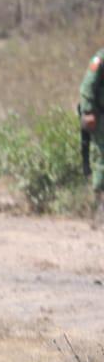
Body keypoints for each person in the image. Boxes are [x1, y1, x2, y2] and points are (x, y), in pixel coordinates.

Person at [79, 49, 104, 228]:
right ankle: (99, 208)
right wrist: (88, 111)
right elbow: (87, 86)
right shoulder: (100, 58)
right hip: (100, 116)